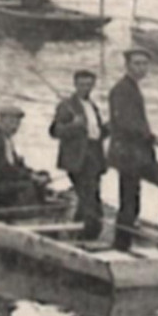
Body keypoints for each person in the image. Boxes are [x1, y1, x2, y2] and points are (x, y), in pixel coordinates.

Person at [107, 48, 158, 251]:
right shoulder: (122, 90)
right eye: (137, 64)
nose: (141, 68)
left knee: (129, 201)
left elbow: (126, 123)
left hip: (132, 155)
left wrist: (150, 139)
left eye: (144, 64)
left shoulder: (130, 88)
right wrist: (152, 138)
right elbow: (125, 123)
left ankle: (122, 244)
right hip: (130, 156)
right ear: (127, 66)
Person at [50, 69, 109, 241]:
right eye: (82, 85)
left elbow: (96, 134)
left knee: (90, 197)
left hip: (94, 157)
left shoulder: (92, 106)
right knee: (89, 198)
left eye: (89, 85)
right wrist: (74, 125)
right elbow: (55, 131)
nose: (86, 88)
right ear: (75, 85)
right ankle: (87, 236)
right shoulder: (66, 106)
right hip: (77, 159)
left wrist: (109, 128)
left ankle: (77, 232)